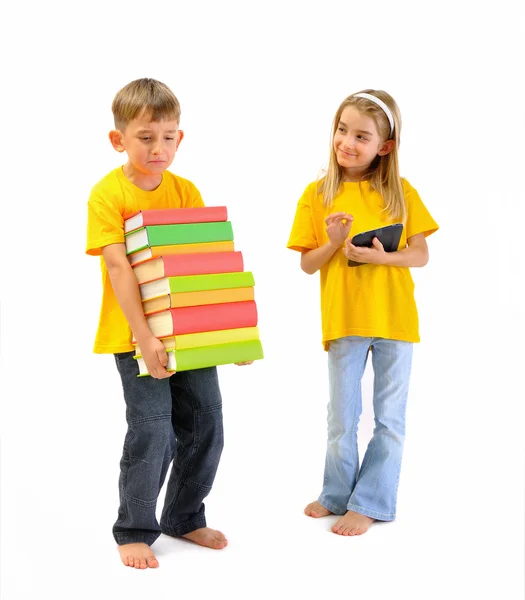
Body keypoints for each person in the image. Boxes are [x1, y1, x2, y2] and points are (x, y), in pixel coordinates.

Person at [86, 78, 252, 569]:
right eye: (145, 137)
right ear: (119, 140)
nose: (158, 147)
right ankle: (136, 527)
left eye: (168, 136)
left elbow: (203, 265)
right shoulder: (107, 194)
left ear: (181, 138)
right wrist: (146, 338)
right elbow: (119, 268)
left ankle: (184, 514)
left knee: (207, 422)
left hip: (191, 335)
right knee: (153, 430)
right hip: (135, 336)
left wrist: (229, 336)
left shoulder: (186, 191)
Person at [287, 89, 438, 536]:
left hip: (395, 321)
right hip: (345, 320)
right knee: (342, 416)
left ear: (384, 147)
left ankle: (370, 502)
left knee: (390, 419)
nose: (347, 142)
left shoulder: (400, 192)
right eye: (342, 130)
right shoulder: (317, 194)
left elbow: (421, 254)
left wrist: (379, 258)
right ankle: (337, 494)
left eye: (361, 136)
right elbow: (306, 263)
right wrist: (334, 243)